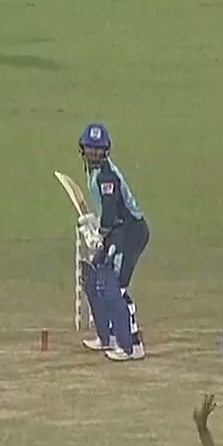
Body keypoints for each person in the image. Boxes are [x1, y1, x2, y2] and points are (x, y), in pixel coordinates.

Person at [77, 123, 151, 362]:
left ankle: (132, 345)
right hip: (117, 232)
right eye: (90, 148)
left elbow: (110, 214)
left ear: (105, 150)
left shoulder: (106, 176)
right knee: (97, 277)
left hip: (130, 233)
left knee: (115, 287)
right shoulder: (95, 172)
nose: (93, 153)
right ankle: (107, 336)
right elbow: (108, 212)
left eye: (98, 149)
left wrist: (98, 234)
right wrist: (95, 223)